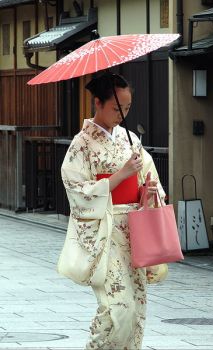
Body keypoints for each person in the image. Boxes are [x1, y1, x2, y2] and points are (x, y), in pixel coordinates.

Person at [59, 72, 166, 349]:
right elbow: (77, 189)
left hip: (134, 231)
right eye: (116, 108)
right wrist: (120, 175)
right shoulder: (81, 144)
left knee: (136, 307)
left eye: (127, 108)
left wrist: (148, 192)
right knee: (117, 308)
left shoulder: (128, 139)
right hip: (106, 233)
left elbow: (147, 178)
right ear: (97, 103)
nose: (122, 114)